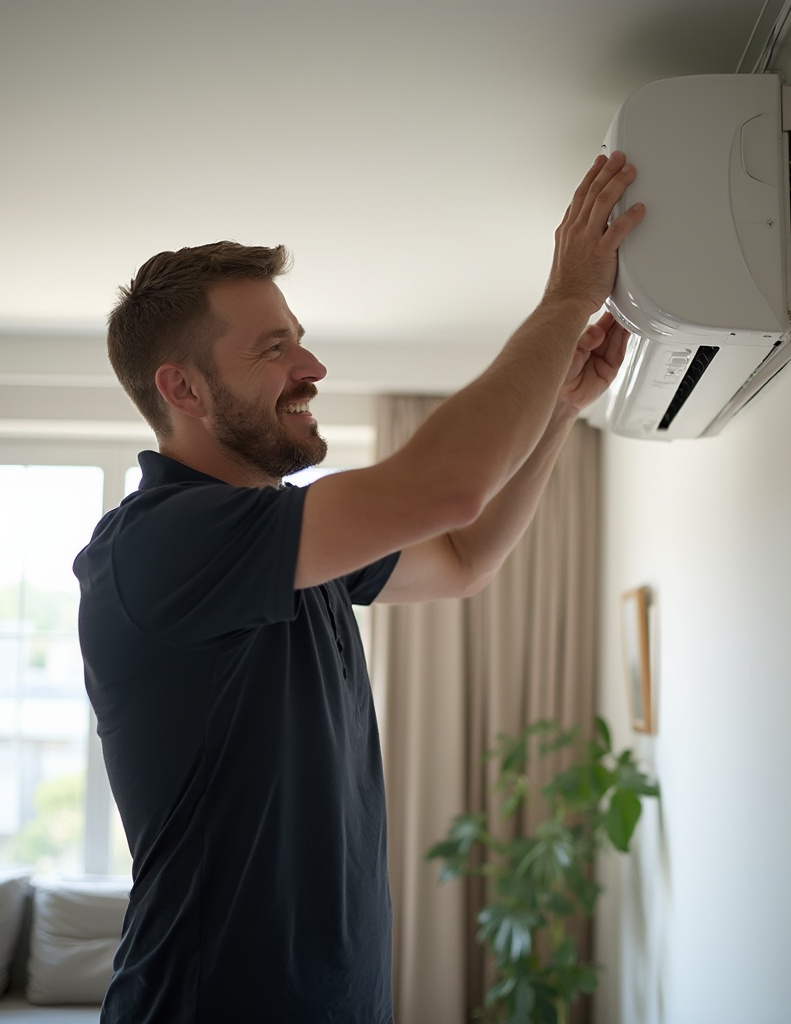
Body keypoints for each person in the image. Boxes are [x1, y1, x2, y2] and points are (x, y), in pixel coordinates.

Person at [73, 151, 645, 1024]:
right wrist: (565, 302)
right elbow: (445, 487)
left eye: (298, 337)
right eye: (275, 348)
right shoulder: (160, 544)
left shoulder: (285, 543)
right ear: (182, 388)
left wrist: (561, 411)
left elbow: (461, 560)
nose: (313, 367)